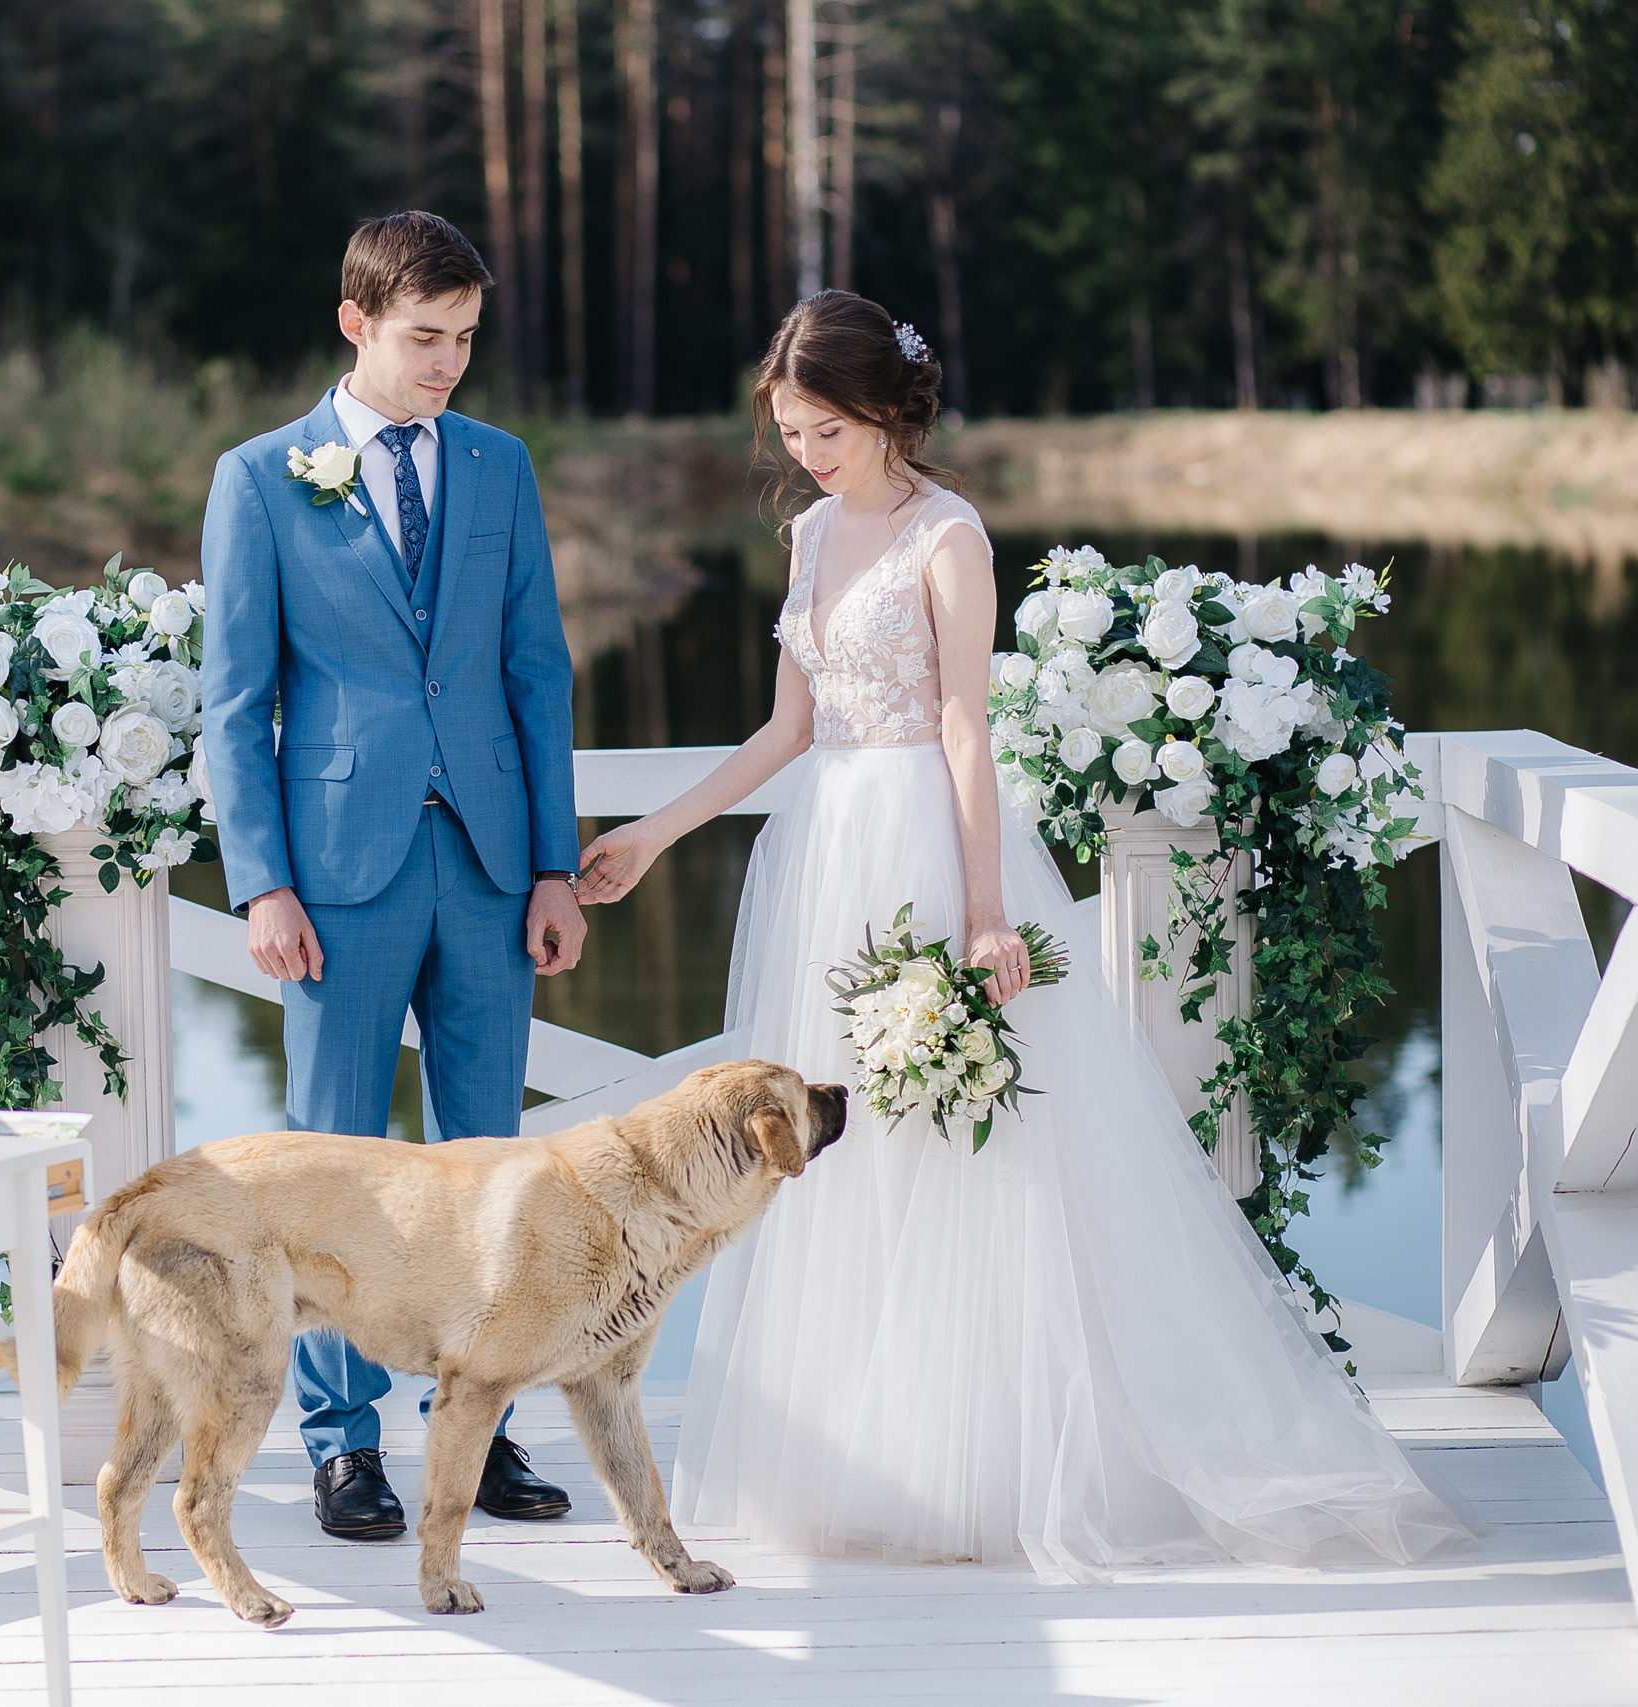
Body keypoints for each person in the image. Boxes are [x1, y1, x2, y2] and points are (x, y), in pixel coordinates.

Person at [575, 292, 1472, 1580]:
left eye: (826, 429)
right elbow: (787, 729)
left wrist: (987, 910)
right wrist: (656, 835)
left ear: (885, 411)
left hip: (927, 852)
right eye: (791, 432)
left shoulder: (950, 536)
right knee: (836, 1154)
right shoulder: (811, 535)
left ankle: (980, 1465)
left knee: (956, 1145)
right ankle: (861, 1455)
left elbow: (964, 728)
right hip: (825, 855)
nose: (807, 456)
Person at [199, 211, 585, 1540]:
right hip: (335, 875)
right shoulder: (262, 478)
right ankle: (340, 1446)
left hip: (488, 864)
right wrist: (262, 883)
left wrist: (552, 866)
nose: (448, 364)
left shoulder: (498, 465)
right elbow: (234, 703)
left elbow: (537, 672)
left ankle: (482, 1431)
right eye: (425, 338)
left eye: (466, 338)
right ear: (355, 323)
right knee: (336, 1170)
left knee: (493, 1165)